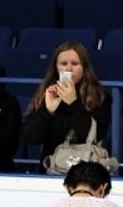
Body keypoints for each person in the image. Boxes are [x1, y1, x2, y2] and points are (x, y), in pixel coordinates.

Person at [21, 41, 112, 173]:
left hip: (85, 172)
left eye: (75, 64)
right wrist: (47, 111)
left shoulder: (100, 97)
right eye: (63, 64)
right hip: (51, 170)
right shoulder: (47, 93)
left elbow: (91, 135)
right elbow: (29, 138)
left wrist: (73, 103)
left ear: (84, 69)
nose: (68, 68)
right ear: (56, 68)